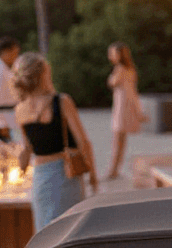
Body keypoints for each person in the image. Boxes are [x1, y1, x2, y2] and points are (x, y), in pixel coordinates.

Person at [14, 53, 98, 229]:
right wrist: (93, 175)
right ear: (44, 74)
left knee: (45, 231)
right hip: (65, 174)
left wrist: (19, 172)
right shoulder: (62, 101)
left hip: (40, 177)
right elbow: (83, 142)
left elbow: (26, 148)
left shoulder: (20, 109)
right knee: (69, 229)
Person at [106, 43, 146, 179]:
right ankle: (115, 169)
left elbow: (112, 82)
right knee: (121, 140)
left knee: (118, 140)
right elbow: (134, 92)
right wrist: (139, 111)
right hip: (126, 105)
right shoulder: (130, 69)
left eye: (112, 53)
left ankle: (113, 170)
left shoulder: (120, 69)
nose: (110, 56)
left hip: (122, 107)